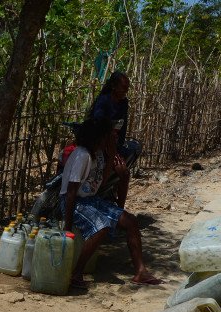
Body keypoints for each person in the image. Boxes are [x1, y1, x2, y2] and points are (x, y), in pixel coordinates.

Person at [59, 118, 164, 289]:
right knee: (102, 226)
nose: (111, 138)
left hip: (89, 199)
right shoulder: (82, 155)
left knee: (130, 220)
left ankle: (140, 272)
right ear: (98, 137)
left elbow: (101, 180)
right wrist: (67, 227)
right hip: (74, 201)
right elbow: (71, 192)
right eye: (108, 136)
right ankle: (77, 274)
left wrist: (111, 154)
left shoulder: (98, 154)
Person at [87, 71, 142, 206]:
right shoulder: (104, 101)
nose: (126, 90)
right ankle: (120, 209)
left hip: (114, 143)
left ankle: (119, 207)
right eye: (124, 87)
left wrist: (118, 143)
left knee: (123, 171)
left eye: (127, 87)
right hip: (101, 143)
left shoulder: (123, 103)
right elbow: (97, 122)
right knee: (124, 174)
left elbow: (123, 125)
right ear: (113, 86)